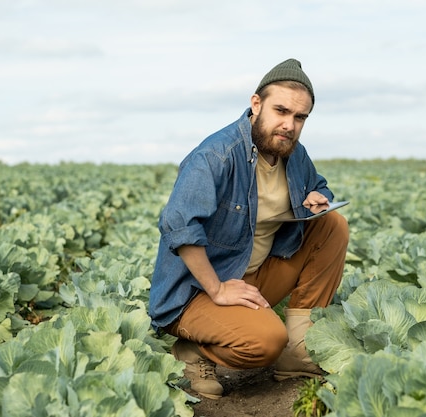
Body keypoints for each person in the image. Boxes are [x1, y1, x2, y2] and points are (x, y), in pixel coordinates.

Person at [148, 58, 349, 400]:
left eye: (300, 117)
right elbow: (179, 227)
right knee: (265, 343)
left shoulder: (292, 153)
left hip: (249, 277)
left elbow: (319, 185)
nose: (289, 125)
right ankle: (191, 352)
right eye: (281, 110)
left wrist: (319, 197)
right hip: (197, 292)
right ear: (256, 104)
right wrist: (217, 289)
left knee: (332, 224)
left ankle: (297, 351)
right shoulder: (216, 156)